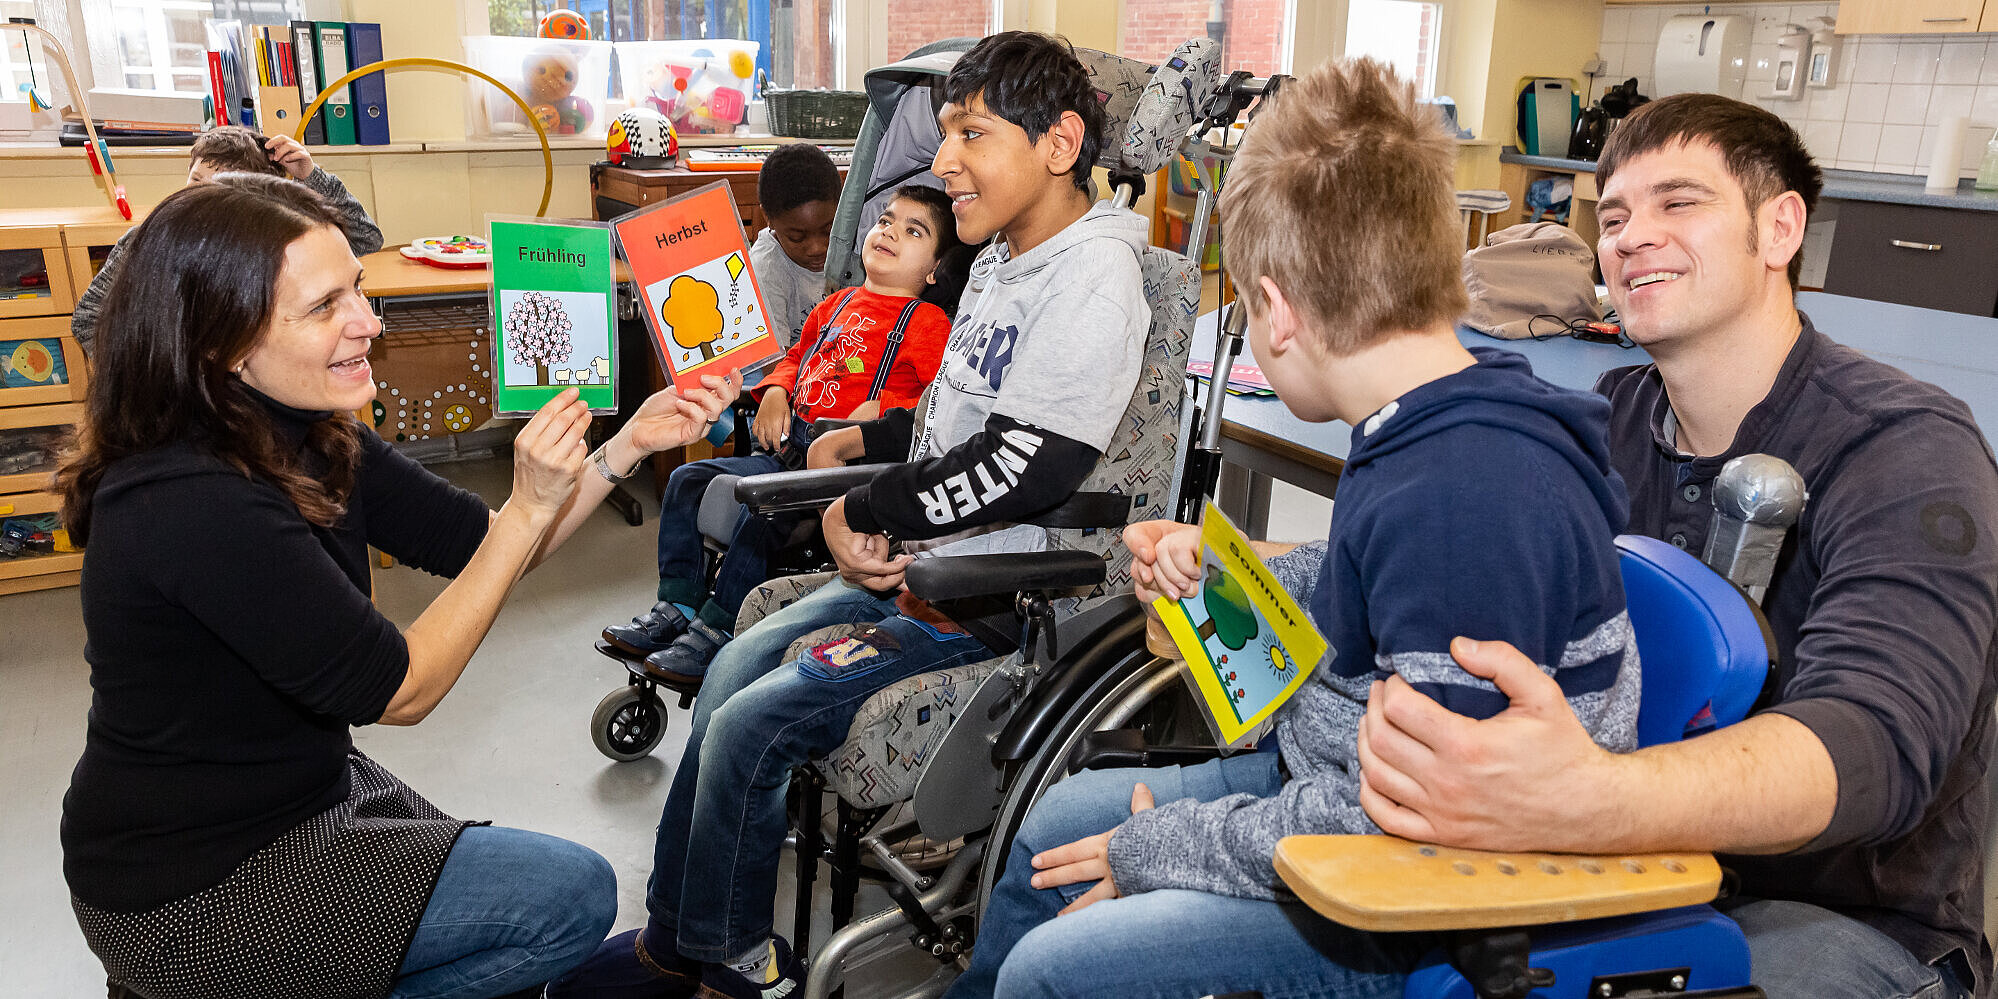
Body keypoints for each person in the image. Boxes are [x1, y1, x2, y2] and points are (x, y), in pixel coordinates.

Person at [945, 57, 1644, 999]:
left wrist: (1167, 848)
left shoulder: (1461, 498)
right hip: (1325, 791)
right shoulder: (1432, 421)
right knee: (1058, 824)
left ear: (1273, 311)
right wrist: (1223, 574)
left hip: (1411, 899)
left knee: (1050, 970)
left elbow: (1401, 822)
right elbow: (1369, 583)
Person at [549, 31, 1153, 999]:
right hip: (906, 568)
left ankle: (737, 969)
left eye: (972, 133)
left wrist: (865, 504)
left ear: (1059, 141)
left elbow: (1027, 462)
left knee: (752, 723)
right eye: (947, 132)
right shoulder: (1001, 257)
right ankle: (677, 936)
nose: (943, 159)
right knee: (731, 668)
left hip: (980, 600)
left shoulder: (1092, 279)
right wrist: (861, 455)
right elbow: (952, 419)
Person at [1356, 95, 1998, 999]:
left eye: (1679, 203)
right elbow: (1451, 565)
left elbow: (1875, 746)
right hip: (1607, 869)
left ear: (1779, 229)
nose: (1630, 237)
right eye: (1613, 216)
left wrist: (1584, 797)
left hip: (1833, 919)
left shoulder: (1907, 451)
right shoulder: (1606, 416)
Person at [57, 172, 739, 999]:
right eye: (324, 308)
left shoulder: (304, 428)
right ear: (224, 344)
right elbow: (402, 687)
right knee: (570, 897)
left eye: (360, 289)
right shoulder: (189, 498)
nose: (368, 324)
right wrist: (527, 509)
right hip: (190, 884)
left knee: (505, 934)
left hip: (299, 791)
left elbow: (486, 546)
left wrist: (627, 444)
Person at [600, 184, 970, 679]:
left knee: (761, 509)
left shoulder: (928, 324)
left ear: (934, 270)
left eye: (913, 230)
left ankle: (716, 628)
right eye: (886, 221)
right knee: (688, 479)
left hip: (845, 473)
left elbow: (939, 400)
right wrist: (775, 391)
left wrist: (885, 409)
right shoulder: (835, 303)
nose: (889, 232)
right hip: (787, 451)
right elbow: (795, 358)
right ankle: (678, 606)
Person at [70, 125, 383, 356]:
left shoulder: (271, 241)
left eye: (222, 189)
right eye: (196, 180)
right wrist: (145, 377)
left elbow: (366, 238)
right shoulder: (148, 239)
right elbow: (88, 319)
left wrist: (309, 175)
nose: (201, 196)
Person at [748, 143, 842, 347]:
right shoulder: (765, 271)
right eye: (797, 237)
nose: (817, 248)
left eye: (828, 231)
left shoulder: (856, 239)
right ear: (768, 218)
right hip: (793, 371)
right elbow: (774, 365)